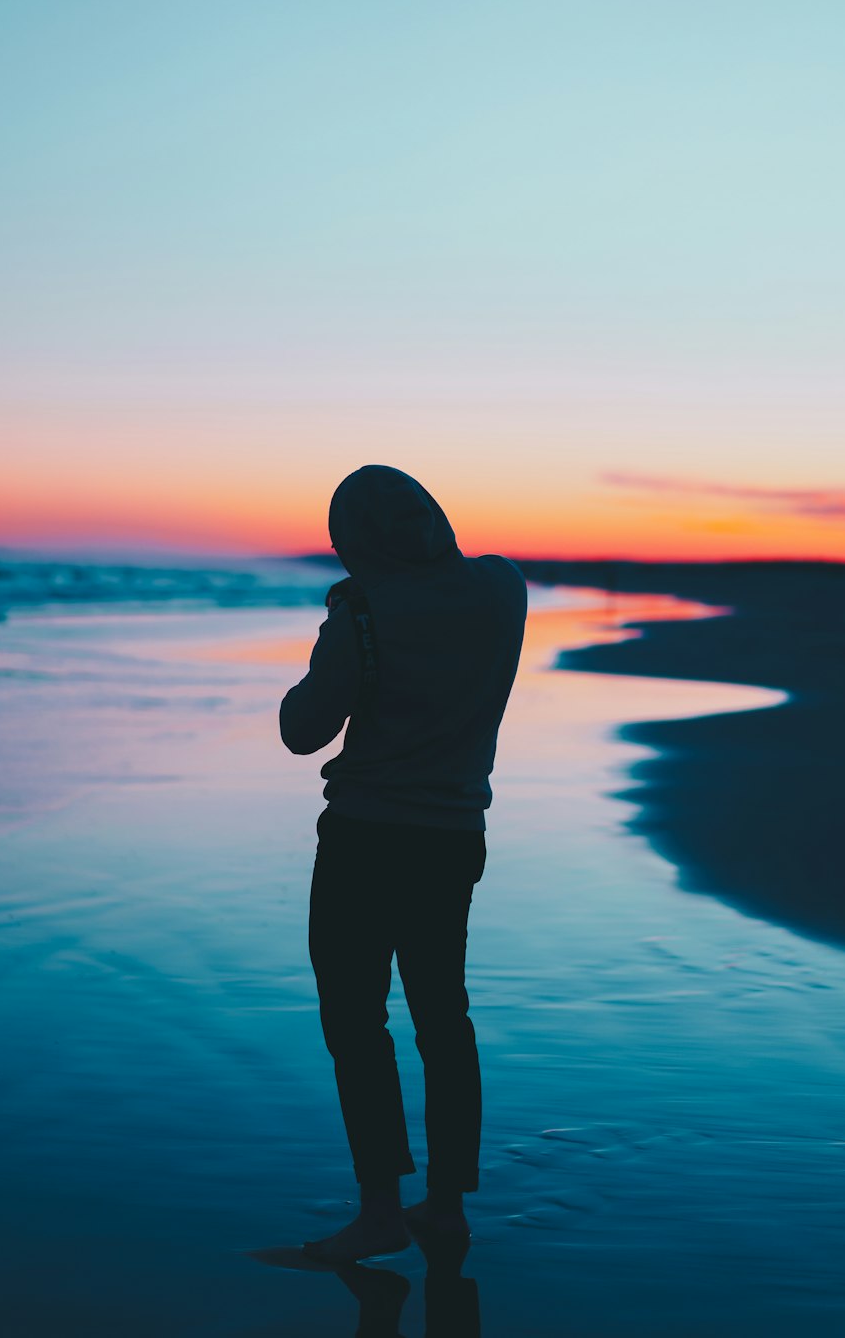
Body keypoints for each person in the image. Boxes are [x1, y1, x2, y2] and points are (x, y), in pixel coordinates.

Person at [280, 465, 528, 1264]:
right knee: (443, 1019)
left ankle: (381, 1209)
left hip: (366, 837)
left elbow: (302, 730)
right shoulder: (501, 590)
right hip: (454, 834)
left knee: (356, 1023)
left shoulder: (362, 611)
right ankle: (446, 1206)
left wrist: (338, 628)